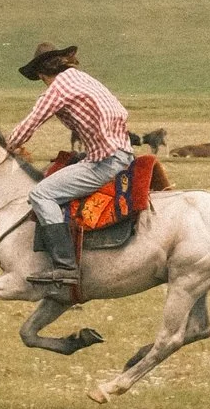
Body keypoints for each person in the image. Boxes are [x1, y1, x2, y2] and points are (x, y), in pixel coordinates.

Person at [7, 39, 135, 275]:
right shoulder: (83, 78)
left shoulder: (58, 88)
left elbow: (32, 122)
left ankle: (66, 267)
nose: (43, 84)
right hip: (121, 152)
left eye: (41, 78)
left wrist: (10, 144)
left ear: (43, 72)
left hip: (106, 161)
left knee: (41, 193)